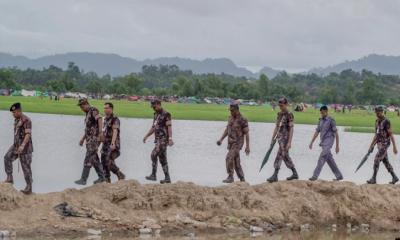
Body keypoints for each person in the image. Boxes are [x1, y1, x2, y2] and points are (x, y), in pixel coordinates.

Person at [4, 103, 34, 194]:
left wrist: (22, 146)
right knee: (7, 158)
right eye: (12, 112)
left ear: (19, 111)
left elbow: (28, 134)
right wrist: (18, 145)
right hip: (16, 146)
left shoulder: (26, 120)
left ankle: (29, 187)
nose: (12, 114)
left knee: (26, 168)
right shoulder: (16, 120)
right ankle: (10, 178)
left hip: (25, 148)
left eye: (14, 112)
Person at [75, 99, 106, 185]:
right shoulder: (88, 113)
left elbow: (100, 119)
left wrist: (100, 133)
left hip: (94, 139)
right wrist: (83, 139)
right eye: (80, 106)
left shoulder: (93, 110)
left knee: (88, 157)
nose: (81, 108)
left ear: (86, 104)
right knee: (95, 159)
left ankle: (83, 179)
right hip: (89, 140)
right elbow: (88, 129)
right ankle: (102, 177)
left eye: (82, 106)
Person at [217, 103, 250, 183]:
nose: (231, 112)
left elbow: (247, 133)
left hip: (238, 143)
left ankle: (230, 176)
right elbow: (227, 130)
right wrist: (221, 139)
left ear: (237, 110)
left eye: (232, 111)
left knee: (229, 157)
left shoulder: (243, 119)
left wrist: (247, 146)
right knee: (236, 161)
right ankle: (242, 179)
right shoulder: (230, 118)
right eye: (230, 111)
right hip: (231, 143)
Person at [267, 97, 299, 183]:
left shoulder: (289, 114)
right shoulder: (279, 114)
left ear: (286, 104)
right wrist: (272, 138)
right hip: (280, 138)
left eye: (282, 105)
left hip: (286, 139)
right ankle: (295, 173)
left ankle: (275, 174)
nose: (280, 107)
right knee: (285, 156)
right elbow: (277, 126)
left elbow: (291, 128)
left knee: (280, 154)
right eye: (279, 106)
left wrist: (289, 142)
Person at [308, 106, 343, 181]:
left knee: (322, 157)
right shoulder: (320, 120)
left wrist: (337, 146)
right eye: (321, 113)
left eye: (323, 113)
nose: (322, 114)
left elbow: (336, 133)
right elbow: (317, 132)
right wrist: (311, 142)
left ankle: (315, 176)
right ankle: (339, 175)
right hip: (323, 143)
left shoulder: (331, 120)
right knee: (330, 160)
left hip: (329, 142)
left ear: (326, 112)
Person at [143, 99, 174, 184]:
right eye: (152, 107)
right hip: (157, 140)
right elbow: (153, 127)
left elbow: (169, 127)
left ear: (159, 104)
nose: (153, 108)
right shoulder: (156, 114)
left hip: (163, 139)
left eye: (154, 106)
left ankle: (153, 175)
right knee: (162, 159)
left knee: (153, 154)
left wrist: (170, 138)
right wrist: (146, 136)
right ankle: (167, 178)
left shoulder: (166, 114)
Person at [366, 106, 398, 184]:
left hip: (385, 144)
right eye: (376, 112)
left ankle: (373, 178)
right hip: (379, 144)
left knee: (377, 159)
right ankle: (394, 177)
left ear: (382, 112)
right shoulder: (376, 121)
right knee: (385, 161)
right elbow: (376, 135)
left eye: (378, 112)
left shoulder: (386, 121)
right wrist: (371, 146)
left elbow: (390, 134)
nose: (377, 113)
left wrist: (394, 147)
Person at [101, 102, 125, 183]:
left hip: (113, 144)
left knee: (108, 160)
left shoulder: (115, 119)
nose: (105, 110)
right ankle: (107, 179)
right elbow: (104, 132)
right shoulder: (105, 119)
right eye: (104, 108)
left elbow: (115, 131)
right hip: (105, 144)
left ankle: (119, 174)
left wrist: (113, 143)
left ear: (111, 109)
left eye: (107, 108)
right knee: (103, 160)